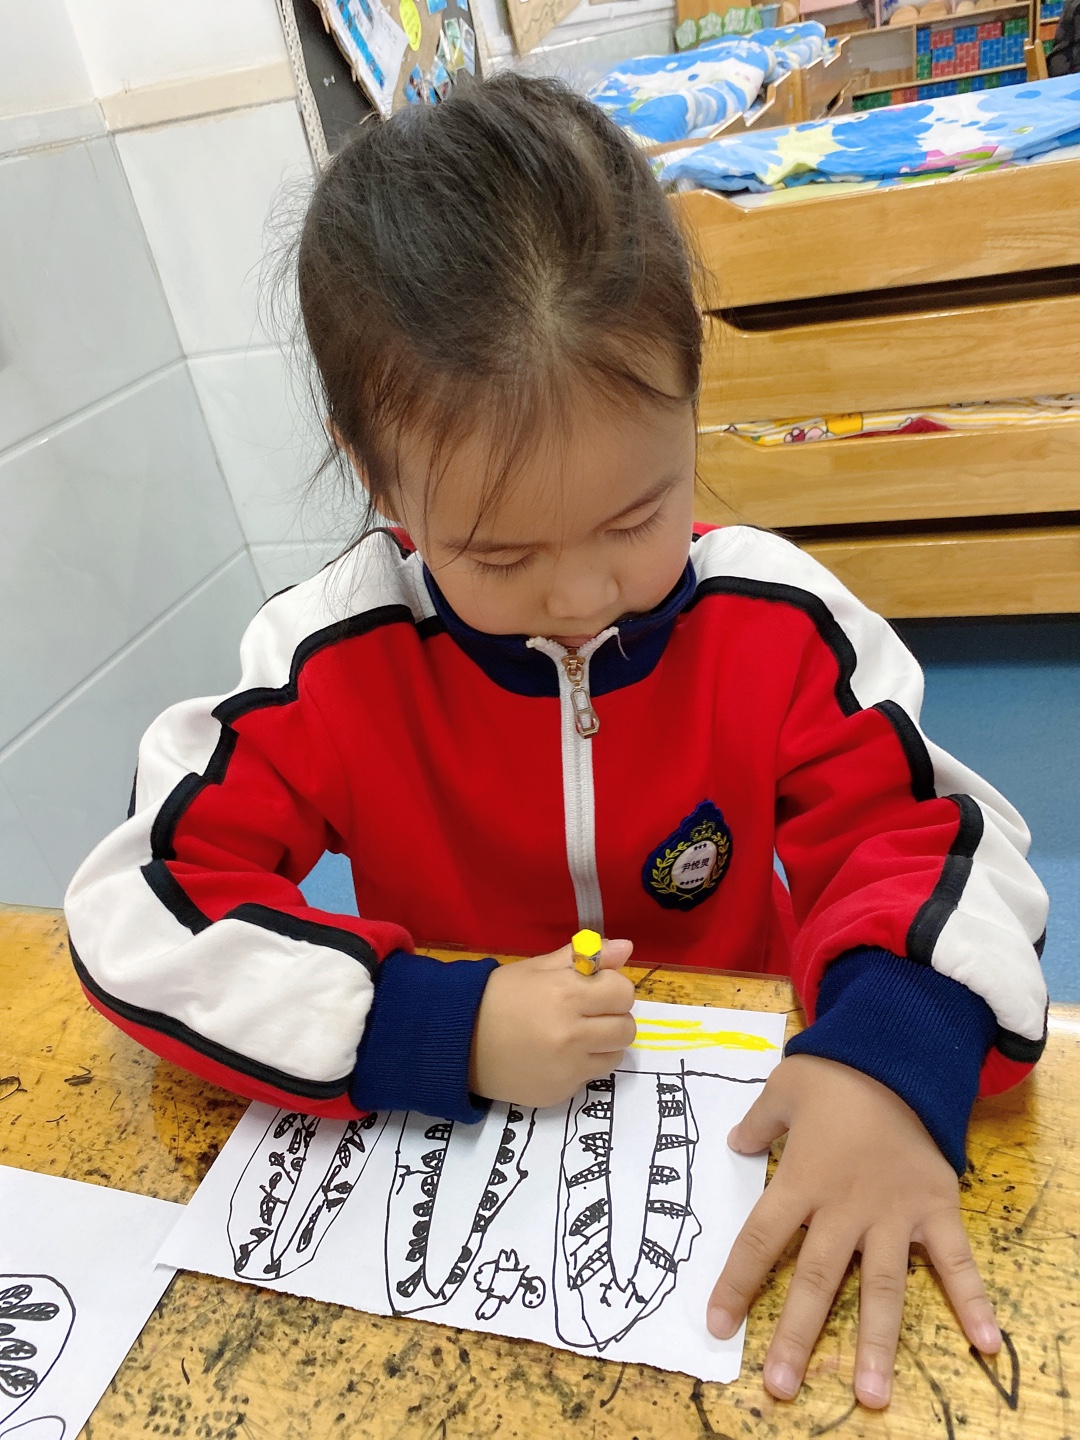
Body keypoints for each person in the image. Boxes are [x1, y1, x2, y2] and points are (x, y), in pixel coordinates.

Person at [64, 73, 1047, 1409]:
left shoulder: (777, 619)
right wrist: (433, 1023)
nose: (583, 595)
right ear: (376, 471)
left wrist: (890, 1052)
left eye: (637, 517)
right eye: (500, 553)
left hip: (742, 1124)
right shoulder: (331, 657)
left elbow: (933, 842)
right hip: (466, 1171)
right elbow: (140, 903)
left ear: (691, 395)